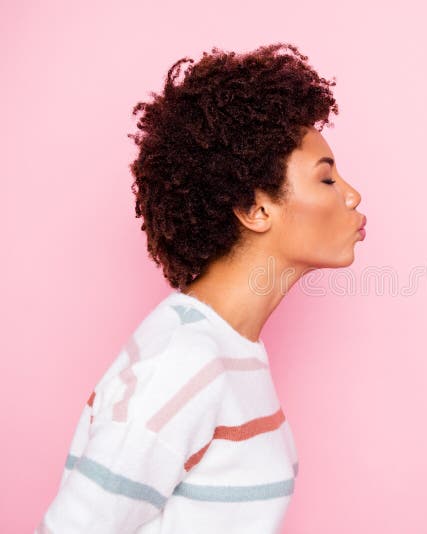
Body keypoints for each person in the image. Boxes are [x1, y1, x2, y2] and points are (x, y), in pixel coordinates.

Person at [35, 42, 366, 533]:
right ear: (256, 210)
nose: (352, 194)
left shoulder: (230, 351)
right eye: (325, 179)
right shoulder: (183, 362)